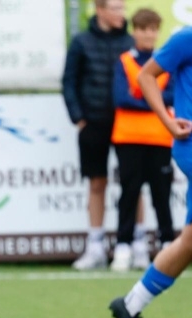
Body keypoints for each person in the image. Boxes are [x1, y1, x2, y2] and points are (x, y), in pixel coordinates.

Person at [109, 26, 192, 318]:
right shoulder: (187, 38)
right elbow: (146, 77)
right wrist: (169, 122)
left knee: (189, 241)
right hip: (190, 145)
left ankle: (130, 305)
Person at [62, 0, 135, 270]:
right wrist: (78, 117)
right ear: (100, 10)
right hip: (93, 123)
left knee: (132, 183)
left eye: (122, 8)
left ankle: (134, 243)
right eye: (115, 8)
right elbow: (69, 80)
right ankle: (95, 246)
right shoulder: (81, 42)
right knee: (96, 182)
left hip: (127, 123)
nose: (120, 13)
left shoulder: (130, 41)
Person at [110, 8, 175, 272]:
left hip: (160, 136)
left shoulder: (165, 62)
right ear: (134, 31)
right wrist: (154, 98)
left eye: (153, 29)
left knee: (162, 193)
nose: (148, 34)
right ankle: (123, 246)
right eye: (143, 29)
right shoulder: (125, 60)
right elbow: (120, 98)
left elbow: (171, 95)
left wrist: (140, 95)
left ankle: (168, 243)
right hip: (129, 137)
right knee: (129, 191)